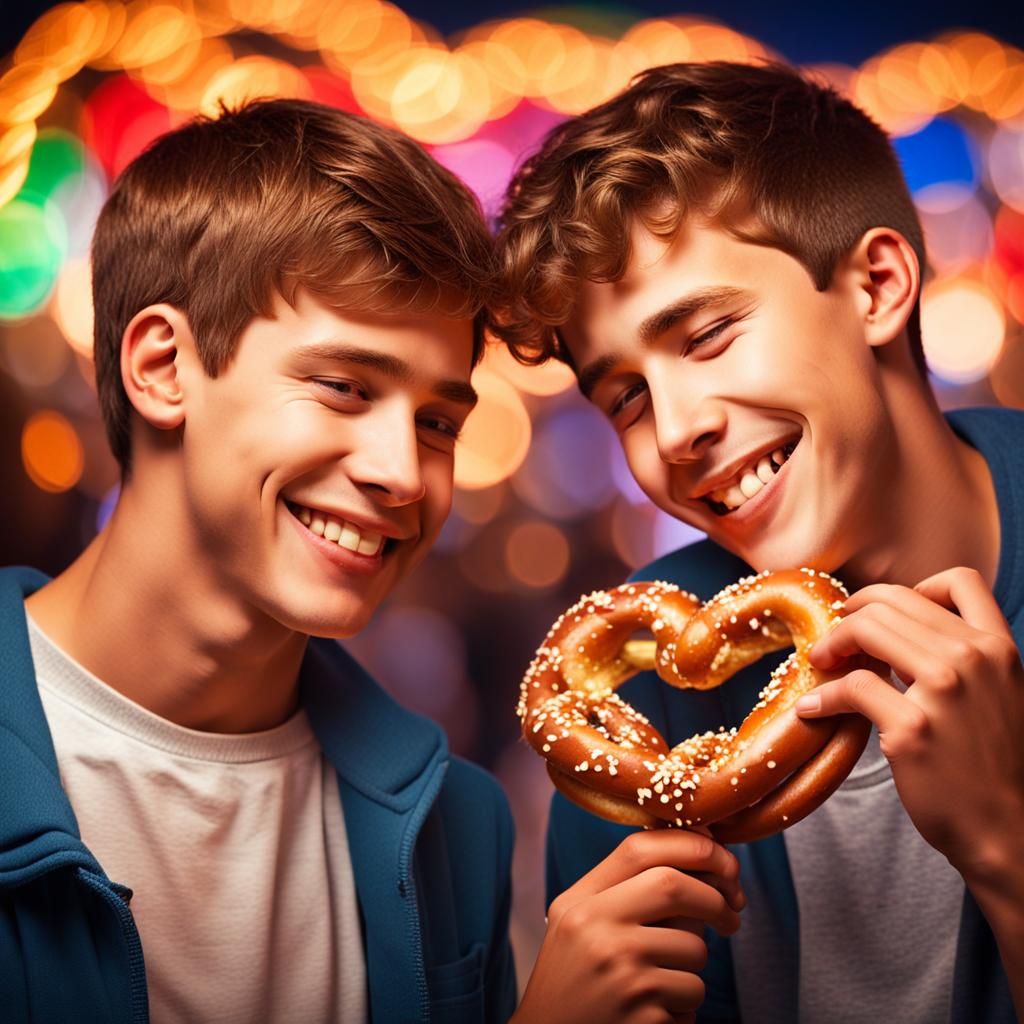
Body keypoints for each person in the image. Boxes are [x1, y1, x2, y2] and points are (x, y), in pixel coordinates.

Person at [0, 98, 744, 1024]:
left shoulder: (457, 833)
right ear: (162, 367)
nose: (403, 474)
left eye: (438, 423)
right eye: (344, 387)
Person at [490, 60, 1024, 1023]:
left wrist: (1003, 841)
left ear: (876, 285)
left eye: (706, 335)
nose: (678, 429)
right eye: (627, 397)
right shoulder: (636, 701)